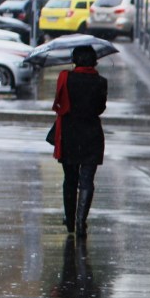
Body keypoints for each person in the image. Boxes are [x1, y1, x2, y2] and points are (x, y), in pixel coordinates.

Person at [50, 45, 108, 237]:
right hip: (92, 135)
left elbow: (59, 104)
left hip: (69, 134)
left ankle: (70, 220)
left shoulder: (66, 78)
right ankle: (81, 221)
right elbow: (100, 108)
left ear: (75, 60)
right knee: (87, 180)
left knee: (70, 178)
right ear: (94, 61)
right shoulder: (101, 82)